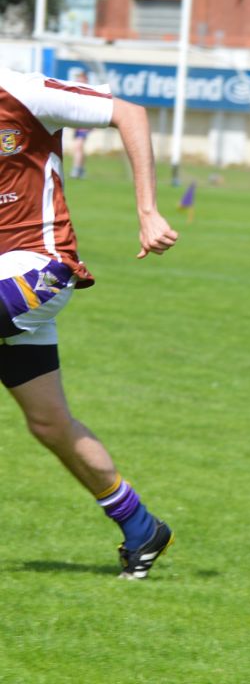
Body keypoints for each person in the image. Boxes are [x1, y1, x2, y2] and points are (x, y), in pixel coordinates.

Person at [0, 67, 179, 579]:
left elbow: (130, 113)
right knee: (49, 423)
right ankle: (141, 526)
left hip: (41, 269)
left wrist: (147, 210)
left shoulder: (23, 91)